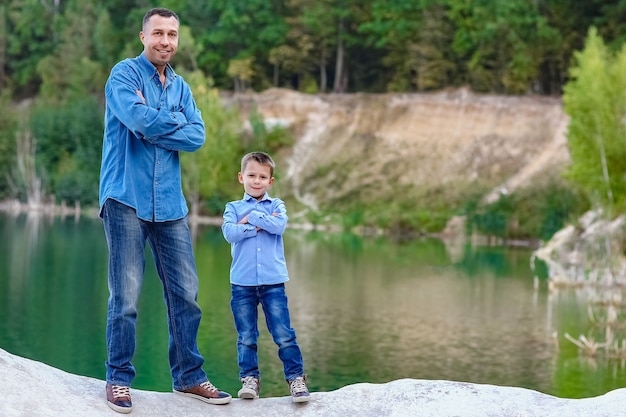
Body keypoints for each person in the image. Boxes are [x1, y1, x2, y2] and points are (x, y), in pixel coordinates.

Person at [99, 7, 231, 414]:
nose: (165, 41)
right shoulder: (123, 75)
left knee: (187, 295)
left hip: (170, 203)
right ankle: (119, 379)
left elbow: (197, 136)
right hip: (125, 197)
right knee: (126, 296)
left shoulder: (182, 88)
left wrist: (158, 121)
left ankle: (189, 377)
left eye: (172, 35)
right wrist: (169, 122)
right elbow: (134, 119)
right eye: (158, 33)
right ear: (143, 36)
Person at [221, 151, 311, 403]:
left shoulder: (277, 206)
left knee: (283, 333)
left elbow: (279, 225)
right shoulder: (232, 208)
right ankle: (249, 380)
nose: (256, 181)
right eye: (251, 175)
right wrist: (259, 224)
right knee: (246, 336)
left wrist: (251, 219)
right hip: (242, 283)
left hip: (273, 282)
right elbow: (230, 233)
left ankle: (296, 379)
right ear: (241, 177)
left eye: (262, 176)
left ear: (270, 181)